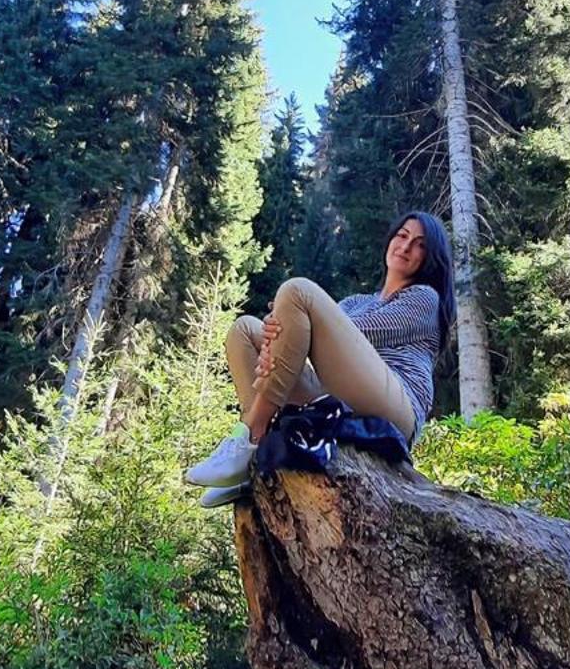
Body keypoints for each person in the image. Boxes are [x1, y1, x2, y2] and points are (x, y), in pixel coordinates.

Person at [183, 211, 456, 504]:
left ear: (430, 257)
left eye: (420, 244)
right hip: (341, 399)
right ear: (390, 240)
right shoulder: (355, 302)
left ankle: (249, 434)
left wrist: (289, 322)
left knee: (297, 291)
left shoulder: (424, 298)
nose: (405, 246)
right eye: (402, 236)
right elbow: (310, 343)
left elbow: (357, 333)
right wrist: (277, 341)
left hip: (397, 408)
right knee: (246, 330)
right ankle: (253, 466)